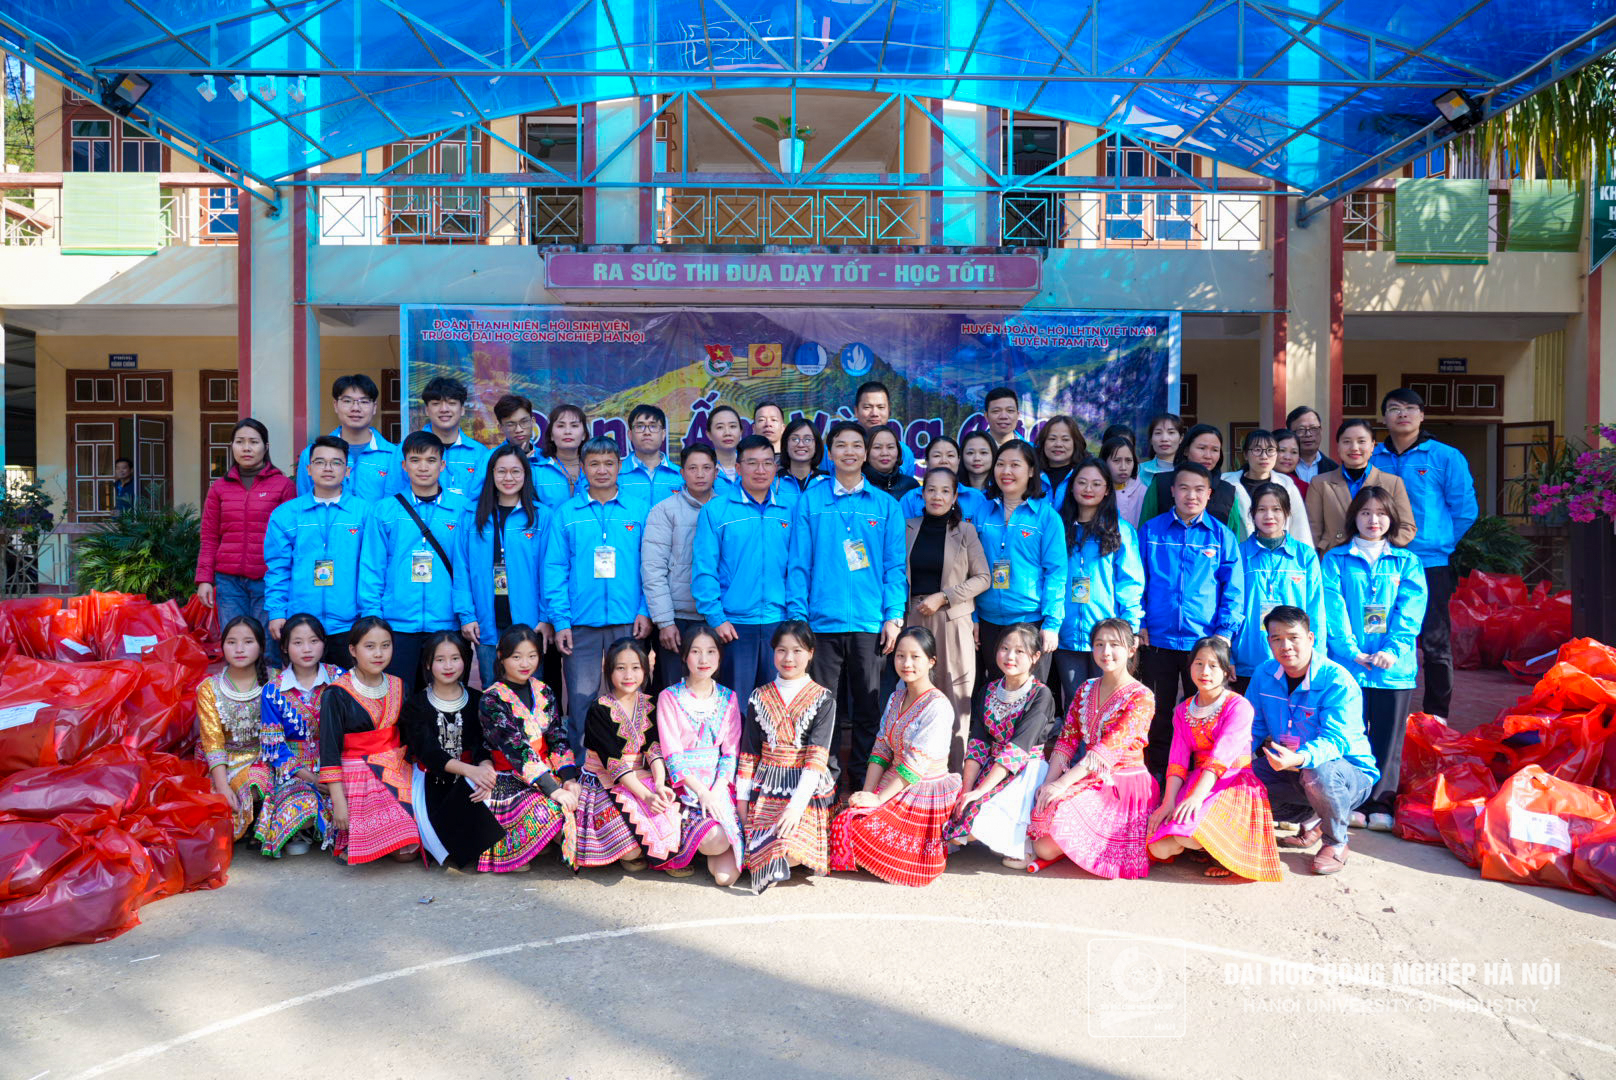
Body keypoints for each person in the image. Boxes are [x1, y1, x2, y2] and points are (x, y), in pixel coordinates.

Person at [786, 421, 906, 784]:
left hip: (870, 624)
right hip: (821, 625)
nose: (849, 452)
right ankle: (825, 784)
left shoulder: (886, 506)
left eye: (856, 445)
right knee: (825, 709)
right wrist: (798, 619)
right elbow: (799, 564)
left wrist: (893, 616)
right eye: (841, 445)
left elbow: (895, 567)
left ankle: (863, 784)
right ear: (830, 452)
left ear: (866, 453)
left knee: (869, 710)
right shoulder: (811, 501)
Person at [1321, 486, 1428, 832]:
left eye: (1381, 514)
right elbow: (1332, 607)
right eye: (1366, 513)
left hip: (1392, 669)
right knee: (1349, 735)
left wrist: (1392, 650)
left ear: (1391, 519)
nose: (1373, 520)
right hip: (1349, 666)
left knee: (1387, 739)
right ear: (1354, 517)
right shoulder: (1335, 560)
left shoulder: (1407, 561)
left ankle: (1381, 803)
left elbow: (1410, 610)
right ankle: (1352, 799)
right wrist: (1350, 651)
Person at [1370, 388, 1478, 718]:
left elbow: (1465, 510)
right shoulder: (1373, 457)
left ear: (1421, 415)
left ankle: (1436, 715)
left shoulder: (1445, 457)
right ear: (1384, 418)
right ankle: (1378, 709)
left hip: (1429, 564)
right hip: (1380, 563)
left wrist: (1439, 542)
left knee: (1434, 640)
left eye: (1409, 408)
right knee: (1376, 632)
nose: (1402, 414)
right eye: (1394, 408)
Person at [829, 626, 962, 886]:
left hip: (922, 788)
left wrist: (878, 799)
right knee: (846, 820)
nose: (906, 663)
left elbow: (915, 767)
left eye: (915, 657)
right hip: (894, 781)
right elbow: (881, 748)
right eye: (900, 656)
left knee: (857, 831)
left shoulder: (938, 706)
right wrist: (867, 794)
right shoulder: (896, 697)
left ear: (931, 661)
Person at [1250, 606, 1377, 876]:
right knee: (1240, 777)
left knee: (1317, 771)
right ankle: (1313, 818)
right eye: (1276, 639)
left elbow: (1335, 740)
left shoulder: (1338, 681)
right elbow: (1252, 726)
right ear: (1269, 642)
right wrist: (1226, 762)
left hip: (1346, 775)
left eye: (1293, 637)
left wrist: (1300, 758)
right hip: (1290, 768)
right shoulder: (1263, 674)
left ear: (1310, 638)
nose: (1285, 646)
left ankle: (1336, 841)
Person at [544, 435, 653, 750]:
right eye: (594, 464)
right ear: (582, 467)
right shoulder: (567, 513)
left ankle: (630, 762)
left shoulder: (640, 510)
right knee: (582, 700)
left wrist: (645, 610)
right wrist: (561, 621)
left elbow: (651, 565)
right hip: (581, 623)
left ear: (619, 466)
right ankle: (582, 767)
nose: (601, 470)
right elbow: (555, 569)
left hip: (629, 621)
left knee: (630, 694)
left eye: (608, 463)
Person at [1024, 619, 1156, 877]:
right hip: (1090, 776)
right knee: (1042, 817)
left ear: (1131, 649)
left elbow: (1106, 751)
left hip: (1124, 784)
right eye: (1099, 644)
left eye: (1115, 645)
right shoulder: (1086, 688)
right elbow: (1067, 740)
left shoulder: (1141, 697)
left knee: (1046, 846)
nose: (1106, 651)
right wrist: (1049, 783)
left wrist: (1062, 784)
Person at [1137, 462, 1245, 777]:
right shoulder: (1151, 531)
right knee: (1157, 713)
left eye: (1199, 489)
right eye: (1184, 488)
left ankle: (1200, 778)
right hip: (1157, 639)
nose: (1191, 496)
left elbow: (1234, 590)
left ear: (1209, 494)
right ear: (1172, 491)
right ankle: (1158, 776)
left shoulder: (1221, 536)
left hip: (1204, 644)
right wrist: (1139, 622)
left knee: (1204, 714)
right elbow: (1137, 580)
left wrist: (1224, 635)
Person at [1145, 636, 1282, 881]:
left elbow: (1222, 756)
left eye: (1213, 665)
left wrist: (1196, 798)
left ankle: (1216, 850)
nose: (1204, 671)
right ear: (1189, 667)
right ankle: (1203, 845)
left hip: (1232, 781)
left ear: (1227, 671)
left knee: (1187, 836)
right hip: (1198, 779)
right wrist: (1168, 802)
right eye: (1198, 664)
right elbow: (1177, 760)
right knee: (1159, 848)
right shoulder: (1183, 709)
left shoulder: (1239, 706)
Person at [357, 431, 477, 691]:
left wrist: (467, 614)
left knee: (446, 699)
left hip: (447, 623)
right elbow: (372, 567)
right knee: (400, 699)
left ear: (442, 465)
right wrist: (373, 618)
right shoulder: (385, 510)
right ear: (404, 465)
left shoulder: (462, 509)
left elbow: (468, 569)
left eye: (431, 460)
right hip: (397, 625)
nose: (423, 467)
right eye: (415, 460)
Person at [736, 621, 838, 892]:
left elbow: (816, 759)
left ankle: (778, 856)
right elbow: (749, 753)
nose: (788, 658)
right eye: (781, 650)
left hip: (806, 786)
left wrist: (794, 808)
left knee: (790, 848)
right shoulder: (759, 696)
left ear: (811, 653)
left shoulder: (823, 699)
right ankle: (770, 857)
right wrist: (742, 805)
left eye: (797, 650)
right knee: (757, 848)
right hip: (766, 784)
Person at [942, 624, 1056, 864]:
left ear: (1035, 656)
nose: (1010, 656)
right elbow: (978, 744)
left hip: (1025, 770)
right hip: (992, 766)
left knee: (972, 825)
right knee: (958, 820)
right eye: (1004, 648)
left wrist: (980, 792)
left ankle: (1022, 845)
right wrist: (967, 789)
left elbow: (1017, 750)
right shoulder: (988, 690)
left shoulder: (1041, 695)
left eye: (1019, 651)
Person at [692, 437, 792, 708]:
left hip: (778, 622)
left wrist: (794, 619)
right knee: (735, 707)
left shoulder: (788, 510)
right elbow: (704, 569)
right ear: (738, 468)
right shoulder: (716, 510)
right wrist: (717, 618)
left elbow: (797, 568)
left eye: (767, 463)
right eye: (752, 463)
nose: (761, 470)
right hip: (734, 626)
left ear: (775, 467)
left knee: (775, 707)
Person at [902, 467, 990, 770]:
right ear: (922, 494)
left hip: (952, 620)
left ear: (954, 497)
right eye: (931, 490)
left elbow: (983, 578)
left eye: (944, 491)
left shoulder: (965, 531)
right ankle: (914, 775)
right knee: (914, 694)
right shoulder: (907, 527)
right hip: (913, 620)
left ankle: (953, 776)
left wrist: (945, 596)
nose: (937, 496)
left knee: (954, 696)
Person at [476, 625, 580, 872]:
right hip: (511, 776)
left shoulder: (544, 690)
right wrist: (554, 790)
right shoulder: (491, 699)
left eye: (532, 656)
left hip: (547, 770)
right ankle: (528, 845)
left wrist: (569, 778)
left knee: (581, 804)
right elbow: (517, 750)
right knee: (552, 811)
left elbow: (557, 737)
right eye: (517, 656)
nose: (525, 663)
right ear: (501, 656)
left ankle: (547, 840)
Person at [318, 617, 422, 865]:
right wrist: (339, 803)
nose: (379, 654)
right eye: (370, 646)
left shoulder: (400, 685)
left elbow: (409, 737)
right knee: (400, 852)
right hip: (358, 773)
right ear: (353, 650)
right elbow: (329, 749)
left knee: (410, 851)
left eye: (386, 646)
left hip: (397, 769)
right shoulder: (336, 693)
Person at [399, 631, 505, 870]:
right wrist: (472, 771)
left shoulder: (478, 700)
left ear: (465, 661)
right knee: (449, 848)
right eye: (440, 659)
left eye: (455, 658)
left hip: (471, 777)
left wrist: (486, 770)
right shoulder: (416, 705)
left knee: (492, 820)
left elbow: (483, 743)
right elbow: (429, 752)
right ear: (428, 663)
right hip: (430, 780)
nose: (448, 666)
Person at [264, 435, 369, 670]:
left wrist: (369, 616)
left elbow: (372, 569)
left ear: (347, 470)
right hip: (301, 624)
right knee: (303, 689)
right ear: (309, 469)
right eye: (320, 462)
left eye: (336, 462)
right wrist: (277, 611)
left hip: (349, 624)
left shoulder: (365, 513)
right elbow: (278, 569)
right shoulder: (286, 515)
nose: (328, 468)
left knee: (347, 688)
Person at [968, 439, 1066, 690]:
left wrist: (1052, 623)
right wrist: (974, 616)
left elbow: (1056, 572)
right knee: (994, 692)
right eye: (1000, 464)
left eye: (1015, 465)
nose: (1006, 471)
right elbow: (969, 568)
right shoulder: (982, 512)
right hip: (988, 620)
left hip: (1029, 621)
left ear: (1031, 471)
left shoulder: (1047, 517)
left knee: (1029, 695)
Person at [656, 626, 744, 885]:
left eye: (710, 652)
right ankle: (702, 844)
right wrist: (702, 792)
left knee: (725, 878)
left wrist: (716, 790)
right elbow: (673, 755)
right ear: (685, 656)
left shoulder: (728, 697)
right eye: (696, 652)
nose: (703, 659)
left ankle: (716, 845)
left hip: (719, 784)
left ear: (719, 657)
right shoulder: (669, 697)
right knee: (713, 839)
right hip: (687, 787)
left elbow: (730, 752)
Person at [1054, 458, 1144, 712]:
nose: (1088, 489)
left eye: (1096, 484)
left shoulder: (1121, 530)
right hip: (1066, 634)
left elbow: (1130, 583)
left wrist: (1130, 628)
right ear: (1072, 487)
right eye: (1082, 482)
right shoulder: (1058, 528)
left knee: (1107, 706)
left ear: (1107, 490)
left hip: (1108, 637)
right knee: (1075, 705)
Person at [196, 418, 296, 647]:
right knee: (236, 644)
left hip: (268, 580)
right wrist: (204, 579)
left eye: (254, 442)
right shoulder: (219, 488)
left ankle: (269, 673)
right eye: (240, 442)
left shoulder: (283, 486)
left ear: (266, 447)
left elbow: (292, 539)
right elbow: (209, 537)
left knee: (268, 644)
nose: (246, 448)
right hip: (229, 581)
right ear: (232, 446)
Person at [257, 614, 341, 858]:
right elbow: (275, 747)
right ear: (284, 647)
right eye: (297, 642)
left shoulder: (340, 678)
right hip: (295, 769)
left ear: (324, 643)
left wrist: (332, 774)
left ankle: (326, 831)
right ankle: (306, 829)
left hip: (337, 762)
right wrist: (312, 778)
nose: (307, 649)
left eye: (314, 641)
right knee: (301, 808)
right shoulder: (273, 690)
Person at [466, 444, 550, 688]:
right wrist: (467, 615)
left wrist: (546, 617)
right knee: (492, 692)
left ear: (526, 474)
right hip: (486, 624)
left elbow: (549, 570)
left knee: (531, 694)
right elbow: (463, 570)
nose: (508, 478)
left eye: (515, 471)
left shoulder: (542, 516)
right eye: (501, 471)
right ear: (491, 474)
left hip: (529, 623)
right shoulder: (471, 515)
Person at [1233, 483, 1325, 695]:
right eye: (1262, 509)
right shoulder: (1239, 554)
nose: (1269, 516)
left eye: (1276, 509)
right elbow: (1230, 606)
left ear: (1287, 513)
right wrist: (1227, 655)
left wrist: (1317, 656)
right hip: (1248, 659)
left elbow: (1316, 609)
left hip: (1294, 660)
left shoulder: (1305, 556)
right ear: (1252, 513)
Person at [582, 638, 665, 871]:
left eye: (636, 667)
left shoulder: (650, 704)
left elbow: (653, 748)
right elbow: (614, 764)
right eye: (620, 668)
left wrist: (659, 783)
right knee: (631, 850)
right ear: (608, 670)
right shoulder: (599, 709)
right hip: (605, 782)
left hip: (642, 777)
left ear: (645, 670)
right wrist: (646, 796)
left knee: (668, 819)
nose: (629, 675)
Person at [643, 444, 719, 688]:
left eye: (706, 468)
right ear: (682, 473)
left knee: (714, 691)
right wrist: (665, 622)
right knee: (674, 691)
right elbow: (653, 570)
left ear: (716, 472)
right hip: (678, 618)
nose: (700, 474)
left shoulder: (727, 509)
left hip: (719, 618)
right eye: (692, 468)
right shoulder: (664, 511)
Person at [198, 615, 273, 843]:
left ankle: (261, 823)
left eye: (248, 642)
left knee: (257, 783)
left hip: (266, 759)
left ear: (261, 646)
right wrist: (222, 786)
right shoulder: (209, 688)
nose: (239, 649)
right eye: (232, 642)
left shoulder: (276, 681)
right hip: (224, 764)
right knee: (211, 812)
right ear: (222, 646)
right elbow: (212, 742)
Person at [1307, 418, 1417, 555]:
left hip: (1379, 559)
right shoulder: (1320, 483)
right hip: (1333, 558)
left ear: (1372, 446)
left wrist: (1377, 545)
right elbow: (1312, 529)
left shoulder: (1393, 483)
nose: (1354, 447)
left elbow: (1407, 527)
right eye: (1347, 441)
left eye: (1361, 441)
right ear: (1338, 446)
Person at [294, 375, 404, 502]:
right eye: (347, 401)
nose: (355, 408)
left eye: (364, 402)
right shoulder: (311, 454)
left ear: (374, 407)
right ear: (335, 405)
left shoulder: (393, 455)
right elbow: (305, 503)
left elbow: (396, 505)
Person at [1139, 424, 1249, 538]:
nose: (1208, 456)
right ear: (1186, 450)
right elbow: (1145, 529)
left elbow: (1233, 539)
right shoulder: (1161, 483)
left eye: (1215, 450)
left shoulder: (1228, 492)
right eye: (1201, 448)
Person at [1222, 429, 1311, 545]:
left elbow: (1300, 527)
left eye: (1270, 450)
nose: (1264, 456)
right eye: (1257, 450)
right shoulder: (1227, 484)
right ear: (1245, 454)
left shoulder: (1287, 485)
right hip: (1236, 552)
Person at [421, 376, 489, 501]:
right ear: (427, 410)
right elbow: (395, 498)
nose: (444, 409)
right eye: (436, 404)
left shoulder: (480, 453)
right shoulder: (407, 449)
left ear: (462, 410)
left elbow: (485, 500)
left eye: (451, 403)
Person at [897, 437, 988, 520]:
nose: (944, 461)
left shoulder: (975, 497)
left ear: (958, 460)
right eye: (937, 456)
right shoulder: (910, 499)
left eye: (950, 455)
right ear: (927, 461)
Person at [619, 403, 684, 511]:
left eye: (653, 426)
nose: (647, 432)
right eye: (640, 426)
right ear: (630, 435)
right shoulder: (616, 475)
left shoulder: (680, 476)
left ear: (663, 434)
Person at [533, 403, 591, 507]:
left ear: (584, 435)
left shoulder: (596, 469)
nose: (567, 431)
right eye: (561, 426)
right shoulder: (536, 471)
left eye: (574, 426)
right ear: (551, 435)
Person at [854, 381, 918, 474]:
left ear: (889, 410)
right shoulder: (841, 449)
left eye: (881, 407)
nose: (874, 413)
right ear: (856, 411)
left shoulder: (904, 452)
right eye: (867, 407)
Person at [492, 393, 547, 485]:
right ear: (500, 427)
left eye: (524, 422)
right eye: (510, 424)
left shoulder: (546, 458)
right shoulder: (490, 458)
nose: (519, 430)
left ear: (533, 422)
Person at [1035, 413, 1082, 509]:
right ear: (1043, 442)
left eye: (1065, 439)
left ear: (1075, 443)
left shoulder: (1083, 473)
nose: (1058, 444)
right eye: (1052, 439)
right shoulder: (1030, 472)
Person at [1102, 434, 1148, 528]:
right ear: (1104, 462)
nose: (1123, 467)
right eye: (1116, 460)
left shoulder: (1144, 493)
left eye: (1128, 461)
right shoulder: (1096, 491)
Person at [863, 425, 920, 498]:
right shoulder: (858, 485)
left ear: (898, 451)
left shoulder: (911, 486)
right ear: (865, 452)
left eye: (890, 447)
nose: (885, 453)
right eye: (877, 447)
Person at [1287, 406, 1339, 484]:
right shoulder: (1279, 467)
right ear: (1290, 433)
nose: (1308, 434)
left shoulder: (1334, 469)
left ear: (1321, 431)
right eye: (1301, 429)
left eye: (1313, 428)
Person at [779, 417, 827, 494]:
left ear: (816, 446)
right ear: (785, 445)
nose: (801, 445)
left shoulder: (827, 482)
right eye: (794, 439)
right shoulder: (774, 481)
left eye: (807, 439)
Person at [707, 404, 745, 489]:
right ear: (709, 434)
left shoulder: (751, 465)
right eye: (720, 427)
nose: (727, 433)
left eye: (732, 426)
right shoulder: (702, 468)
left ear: (741, 431)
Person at [1138, 412, 1184, 482]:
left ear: (1181, 438)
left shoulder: (1191, 471)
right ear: (1151, 439)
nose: (1164, 439)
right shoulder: (1138, 471)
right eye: (1158, 433)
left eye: (1171, 432)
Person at [958, 430, 997, 497]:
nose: (977, 458)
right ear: (961, 456)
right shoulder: (954, 491)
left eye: (983, 453)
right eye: (970, 453)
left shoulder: (1003, 492)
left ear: (993, 455)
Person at [1273, 428, 1307, 497]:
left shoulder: (1305, 488)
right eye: (1282, 450)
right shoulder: (1255, 481)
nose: (1288, 457)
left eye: (1294, 452)